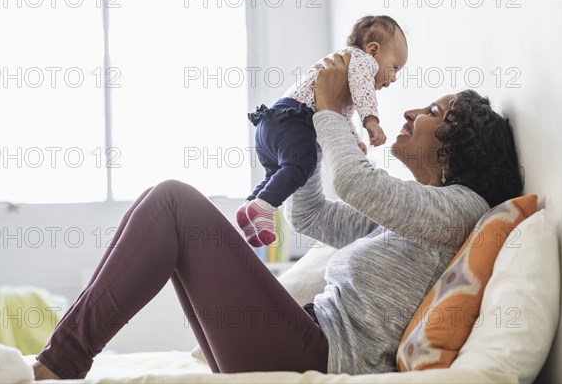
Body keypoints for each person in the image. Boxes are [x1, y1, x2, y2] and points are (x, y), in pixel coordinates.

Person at [32, 53, 523, 380]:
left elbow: (356, 182)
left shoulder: (461, 209)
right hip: (301, 334)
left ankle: (59, 364)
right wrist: (304, 139)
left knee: (172, 202)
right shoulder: (418, 219)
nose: (411, 111)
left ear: (457, 147)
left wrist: (330, 109)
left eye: (434, 110)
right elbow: (311, 216)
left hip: (318, 353)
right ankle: (60, 358)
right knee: (155, 203)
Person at [237, 15, 408, 247]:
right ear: (374, 49)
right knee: (302, 165)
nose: (395, 77)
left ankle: (250, 207)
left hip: (271, 123)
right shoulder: (363, 61)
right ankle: (264, 207)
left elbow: (338, 113)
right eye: (395, 67)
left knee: (278, 173)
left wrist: (353, 139)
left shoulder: (342, 64)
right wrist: (371, 121)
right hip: (295, 122)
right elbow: (362, 92)